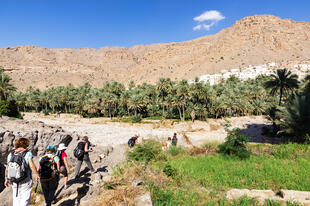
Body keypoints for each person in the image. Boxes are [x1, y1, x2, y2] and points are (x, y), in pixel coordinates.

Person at [5, 137, 40, 206]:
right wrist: (37, 175)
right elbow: (32, 166)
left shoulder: (11, 154)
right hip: (25, 181)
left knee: (16, 200)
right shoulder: (27, 153)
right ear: (26, 144)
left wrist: (6, 179)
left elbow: (7, 168)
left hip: (14, 181)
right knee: (25, 200)